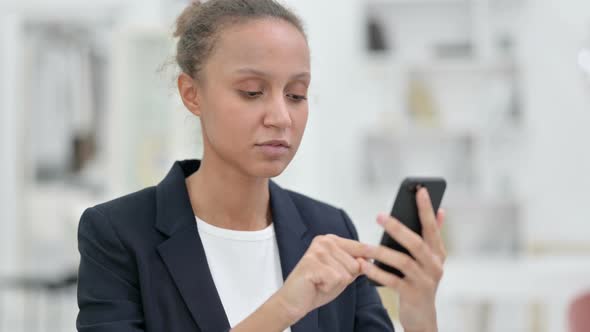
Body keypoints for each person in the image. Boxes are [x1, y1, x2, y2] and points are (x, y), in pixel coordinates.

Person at [75, 1, 447, 331]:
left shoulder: (330, 228)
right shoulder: (118, 234)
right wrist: (283, 307)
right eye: (252, 91)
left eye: (296, 94)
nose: (281, 117)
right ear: (192, 94)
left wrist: (418, 316)